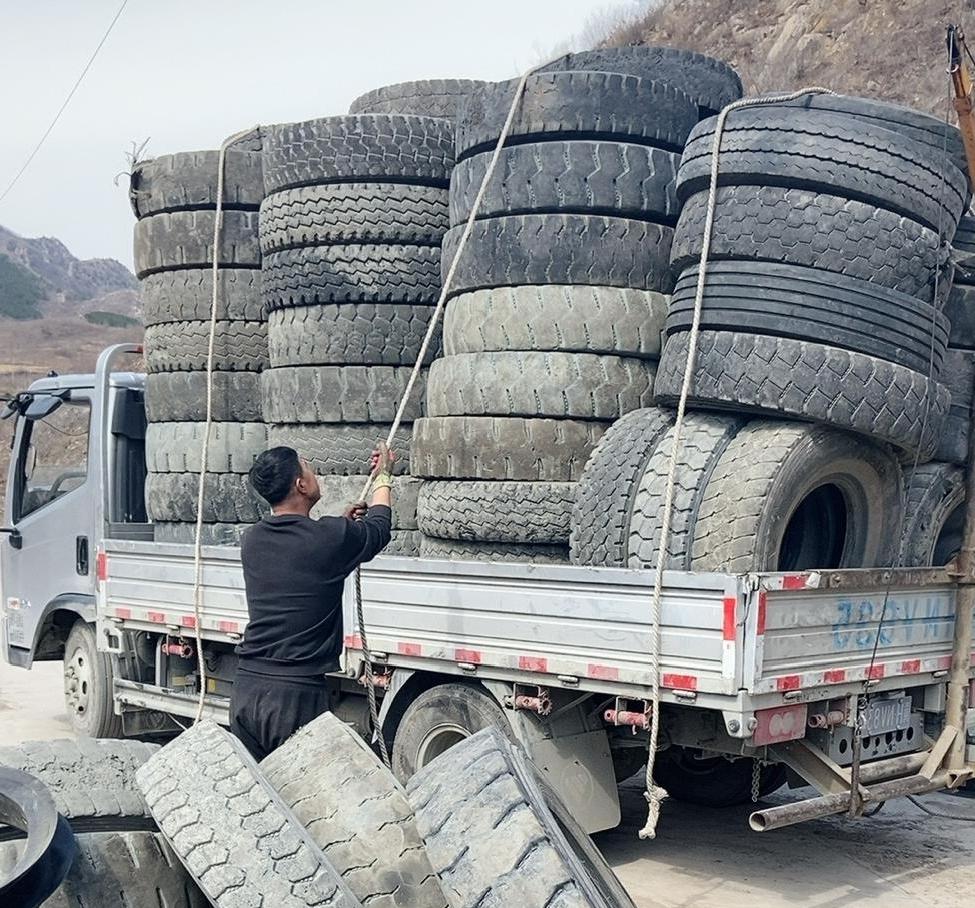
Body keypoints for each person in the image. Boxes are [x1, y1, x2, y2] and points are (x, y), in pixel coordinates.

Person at [229, 442, 394, 760]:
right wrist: (384, 475)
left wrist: (343, 526)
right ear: (300, 484)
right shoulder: (330, 538)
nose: (314, 475)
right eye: (309, 469)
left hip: (247, 691)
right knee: (303, 801)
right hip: (295, 697)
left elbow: (305, 551)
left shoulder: (253, 540)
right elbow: (379, 528)